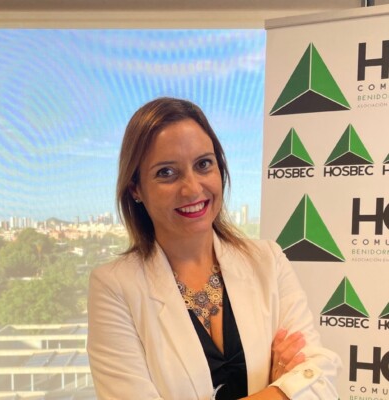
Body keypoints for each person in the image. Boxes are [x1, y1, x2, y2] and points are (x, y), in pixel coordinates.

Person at [87, 97, 341, 400]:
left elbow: (321, 382)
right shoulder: (114, 287)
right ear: (136, 189)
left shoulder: (267, 261)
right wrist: (281, 390)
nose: (193, 188)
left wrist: (297, 385)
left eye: (203, 164)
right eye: (166, 172)